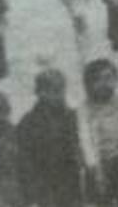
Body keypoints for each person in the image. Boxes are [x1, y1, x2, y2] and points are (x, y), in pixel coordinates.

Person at [16, 68, 83, 207]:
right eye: (53, 90)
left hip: (70, 183)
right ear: (40, 92)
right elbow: (23, 159)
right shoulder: (28, 122)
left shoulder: (72, 116)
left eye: (61, 89)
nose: (59, 95)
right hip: (45, 185)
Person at [78, 59, 118, 207]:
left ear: (116, 79)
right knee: (104, 201)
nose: (104, 83)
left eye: (109, 78)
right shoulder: (85, 109)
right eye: (97, 80)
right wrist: (94, 168)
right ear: (89, 84)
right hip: (101, 163)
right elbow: (85, 140)